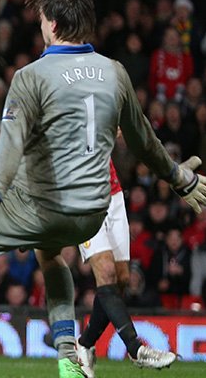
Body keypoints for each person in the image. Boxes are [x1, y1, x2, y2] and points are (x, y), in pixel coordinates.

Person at [0, 0, 206, 378]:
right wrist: (181, 179)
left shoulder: (31, 75)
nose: (40, 27)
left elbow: (10, 143)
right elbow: (145, 143)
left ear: (53, 25)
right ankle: (69, 358)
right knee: (50, 253)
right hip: (91, 212)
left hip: (38, 207)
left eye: (41, 20)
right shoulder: (115, 72)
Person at [73, 161, 176, 378]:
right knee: (107, 272)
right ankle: (136, 349)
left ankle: (84, 344)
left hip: (113, 193)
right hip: (81, 195)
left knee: (120, 279)